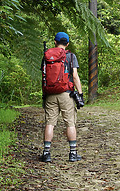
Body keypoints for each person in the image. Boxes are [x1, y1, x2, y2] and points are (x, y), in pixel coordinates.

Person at [40, 32, 84, 162]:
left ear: (55, 42)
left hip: (50, 94)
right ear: (67, 43)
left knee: (50, 123)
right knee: (70, 123)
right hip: (66, 93)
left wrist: (45, 93)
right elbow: (75, 76)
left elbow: (43, 76)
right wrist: (80, 93)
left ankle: (46, 153)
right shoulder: (70, 56)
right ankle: (73, 153)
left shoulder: (47, 56)